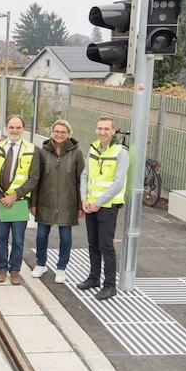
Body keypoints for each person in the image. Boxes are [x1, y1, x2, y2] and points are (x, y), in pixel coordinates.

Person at [78, 116, 128, 300]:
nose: (102, 132)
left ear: (114, 131)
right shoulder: (93, 149)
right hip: (91, 205)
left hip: (106, 207)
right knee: (93, 244)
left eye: (107, 129)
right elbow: (85, 175)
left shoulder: (120, 152)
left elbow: (118, 182)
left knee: (106, 245)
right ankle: (93, 278)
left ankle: (109, 285)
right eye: (99, 128)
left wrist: (98, 203)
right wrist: (84, 200)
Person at [31, 119, 85, 284]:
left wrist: (81, 205)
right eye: (56, 131)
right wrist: (33, 203)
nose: (59, 134)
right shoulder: (41, 152)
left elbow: (81, 181)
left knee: (66, 237)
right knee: (41, 235)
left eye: (63, 132)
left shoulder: (76, 153)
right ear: (52, 133)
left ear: (68, 134)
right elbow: (35, 179)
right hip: (45, 202)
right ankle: (41, 264)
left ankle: (62, 268)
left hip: (68, 204)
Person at [0, 116, 40, 286]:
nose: (14, 130)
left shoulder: (32, 150)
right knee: (0, 237)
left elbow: (34, 178)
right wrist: (0, 197)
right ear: (7, 128)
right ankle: (1, 268)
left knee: (18, 239)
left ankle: (15, 270)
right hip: (0, 201)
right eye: (11, 127)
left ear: (23, 129)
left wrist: (15, 196)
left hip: (20, 202)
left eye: (18, 127)